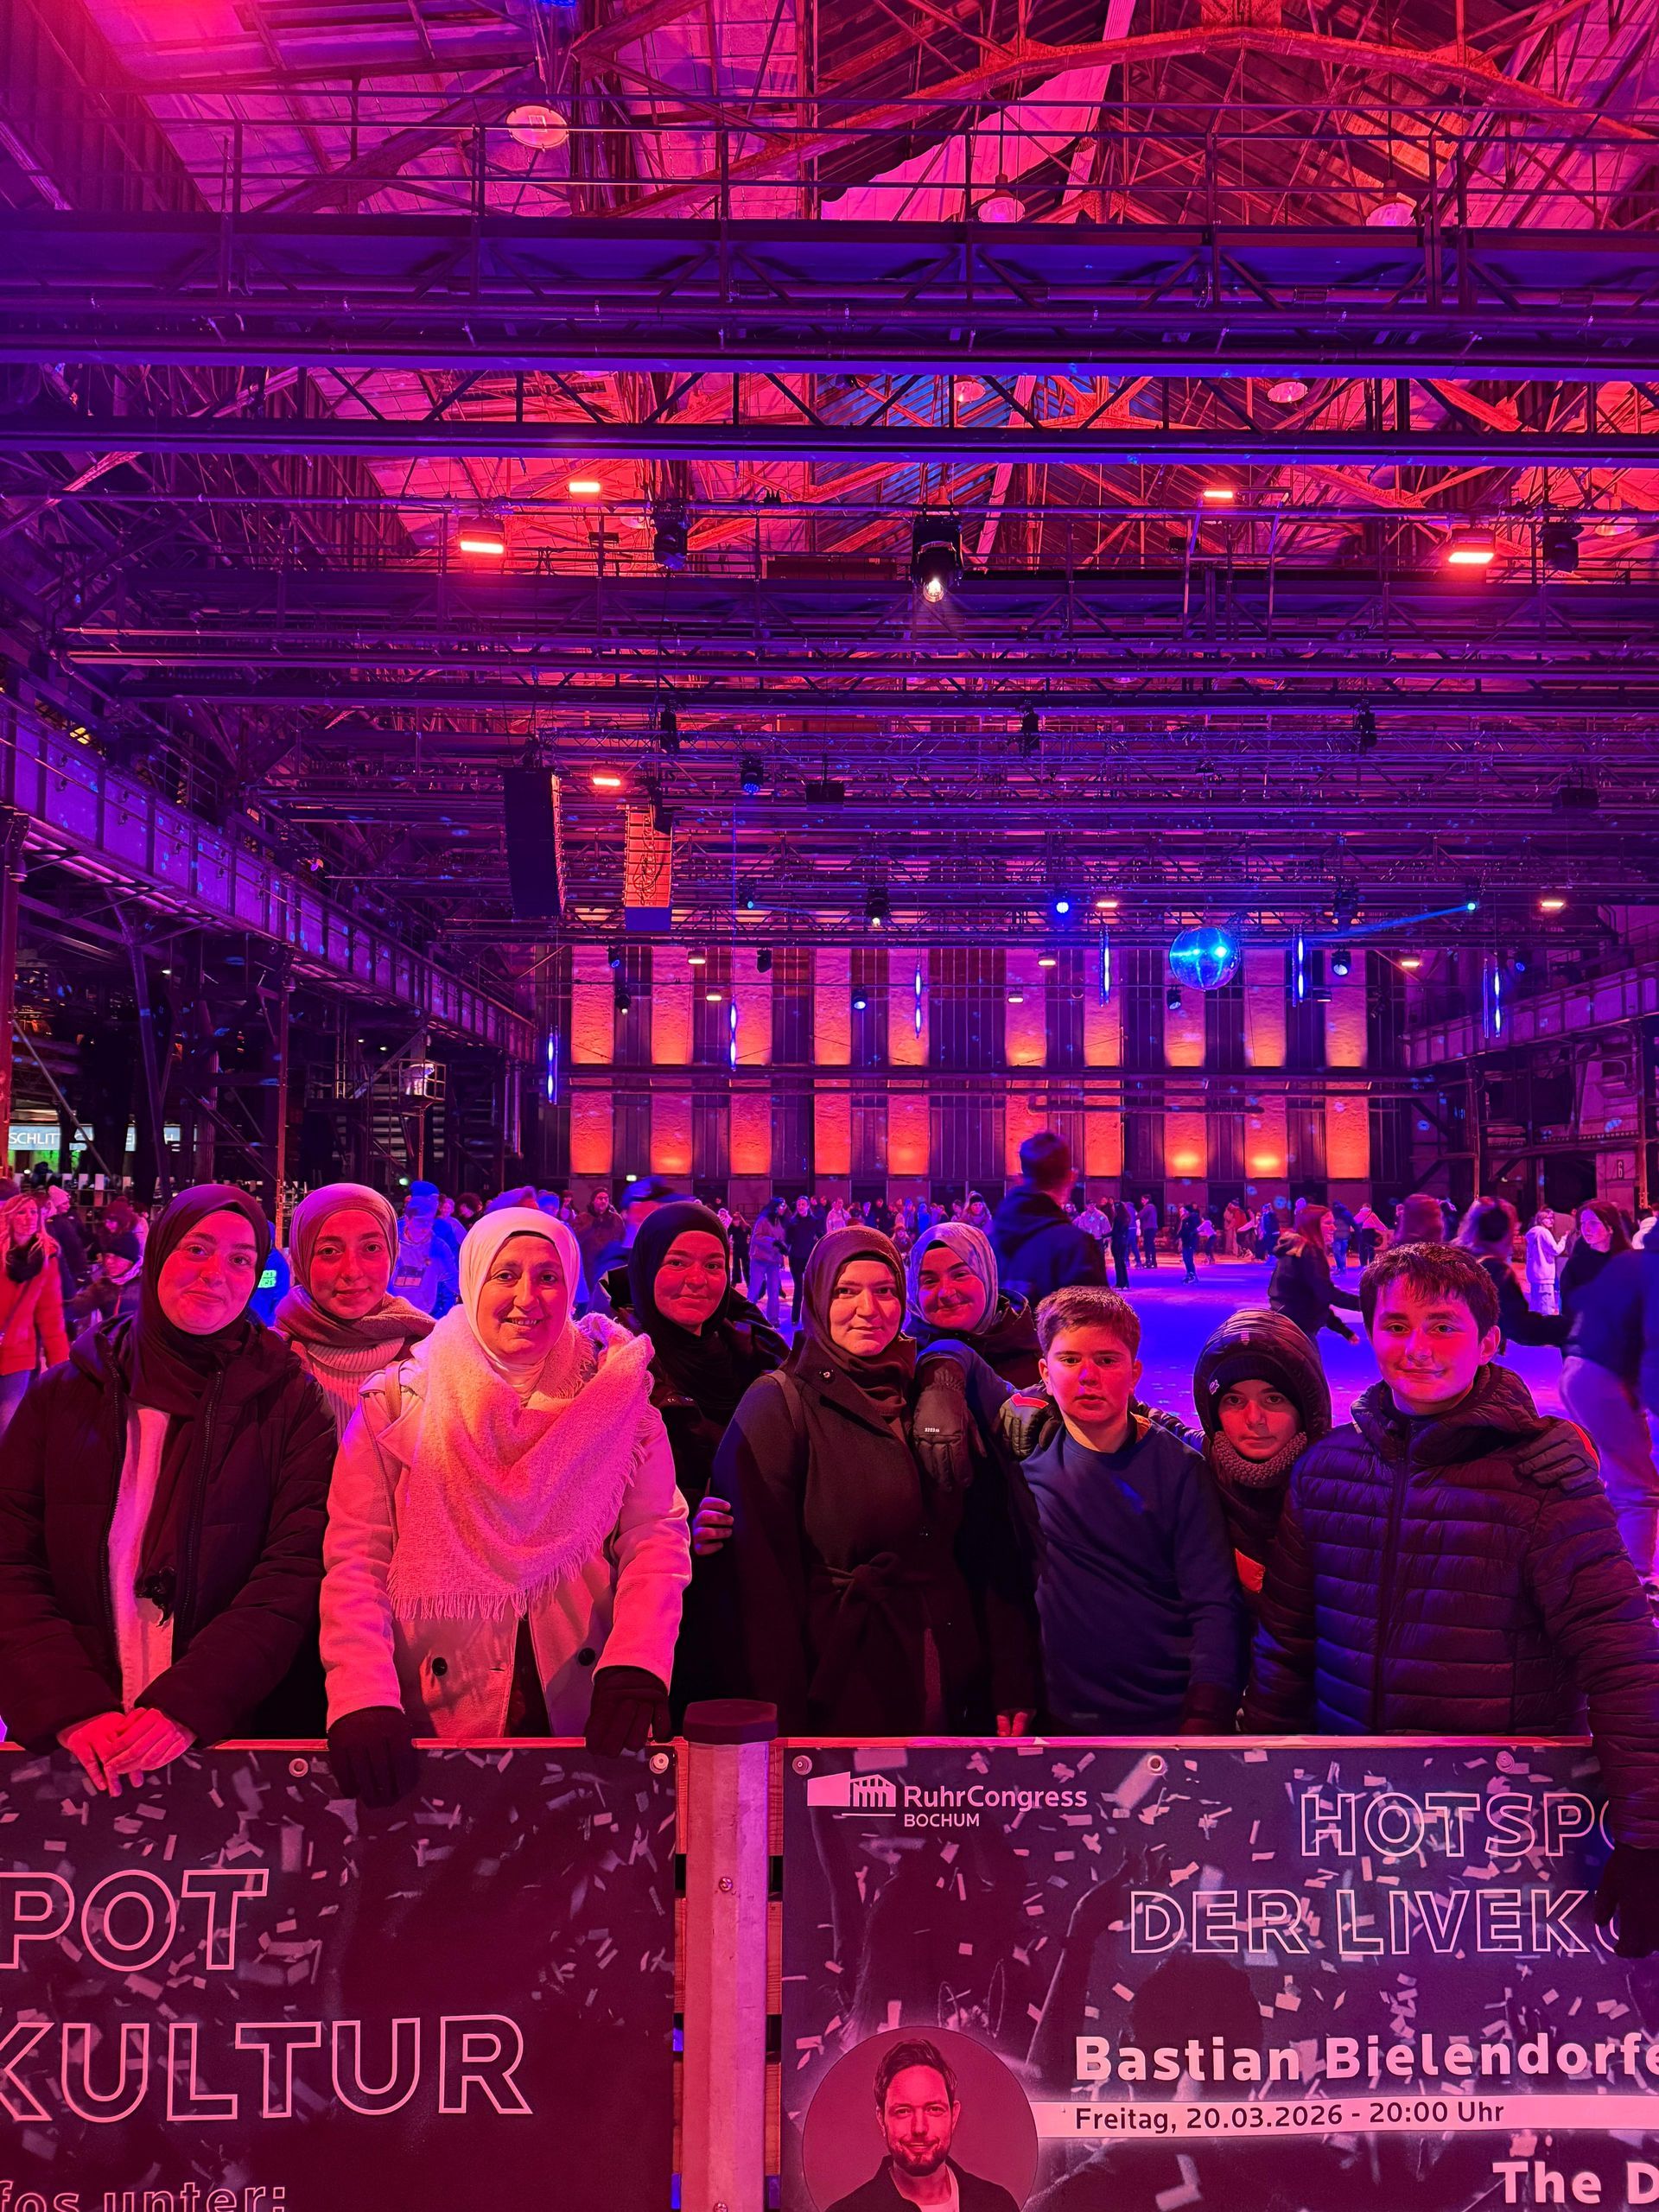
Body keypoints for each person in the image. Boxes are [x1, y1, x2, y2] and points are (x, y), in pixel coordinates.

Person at [1244, 1241, 1659, 1955]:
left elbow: (1620, 1655)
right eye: (1396, 1325)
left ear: (1489, 1342)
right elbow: (1286, 1643)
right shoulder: (1326, 1470)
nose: (1417, 1348)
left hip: (1497, 1821)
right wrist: (1257, 1779)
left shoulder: (1542, 1480)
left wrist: (1646, 1831)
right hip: (1350, 1809)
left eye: (1443, 1326)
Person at [320, 1207, 690, 1806]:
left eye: (548, 1277)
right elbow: (356, 1560)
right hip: (437, 1706)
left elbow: (655, 1540)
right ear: (474, 1281)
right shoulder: (398, 1400)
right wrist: (361, 1693)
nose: (527, 1298)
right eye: (506, 1275)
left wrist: (638, 1659)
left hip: (582, 1699)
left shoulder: (617, 1395)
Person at [0, 1185, 334, 1785]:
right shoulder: (64, 1396)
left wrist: (192, 1703)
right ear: (159, 1255)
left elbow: (292, 1572)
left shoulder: (288, 1403)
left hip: (226, 1740)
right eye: (196, 1249)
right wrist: (70, 1706)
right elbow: (10, 1560)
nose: (215, 1274)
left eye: (240, 1259)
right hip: (77, 1745)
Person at [713, 1226, 1038, 1734]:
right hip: (841, 1680)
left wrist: (1009, 1674)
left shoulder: (923, 1390)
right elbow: (760, 1584)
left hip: (949, 1670)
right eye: (846, 1291)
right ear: (818, 1297)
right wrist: (780, 1718)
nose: (869, 1309)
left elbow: (983, 1543)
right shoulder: (778, 1402)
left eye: (885, 1290)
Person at [995, 1287, 1243, 1735]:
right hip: (1062, 1716)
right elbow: (1008, 1584)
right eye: (1070, 1360)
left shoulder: (1180, 1470)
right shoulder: (1026, 1460)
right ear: (1044, 1373)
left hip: (1168, 1715)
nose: (1088, 1376)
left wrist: (1207, 1710)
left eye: (1107, 1360)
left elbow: (1213, 1602)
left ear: (1134, 1374)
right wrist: (1014, 1683)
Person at [603, 1200, 785, 1716]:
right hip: (660, 1601)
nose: (697, 1280)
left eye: (713, 1264)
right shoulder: (617, 1364)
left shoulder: (754, 1353)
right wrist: (680, 1520)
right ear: (646, 1267)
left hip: (749, 1589)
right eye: (677, 1262)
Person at [1190, 1307, 1331, 1615]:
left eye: (1273, 1399)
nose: (1254, 1419)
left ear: (1305, 1408)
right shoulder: (1197, 1464)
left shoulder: (1341, 1482)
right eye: (1234, 1400)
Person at [273, 1182, 435, 1436]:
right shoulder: (270, 1360)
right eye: (329, 1251)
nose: (352, 1271)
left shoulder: (431, 1354)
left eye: (371, 1248)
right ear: (302, 1258)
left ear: (393, 1253)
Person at [1563, 1236, 1659, 1588]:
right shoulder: (1652, 1268)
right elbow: (1655, 1346)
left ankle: (1599, 1564)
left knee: (1620, 1479)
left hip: (1581, 1368)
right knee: (1639, 1487)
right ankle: (1635, 1583)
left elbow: (1581, 1300)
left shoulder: (1632, 1260)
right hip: (1603, 1378)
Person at [827, 2038, 1020, 2212]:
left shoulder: (1000, 2205)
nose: (919, 2128)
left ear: (953, 2116)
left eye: (934, 2109)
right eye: (903, 2111)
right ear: (881, 2119)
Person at [906, 1220, 1042, 1388]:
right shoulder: (902, 1364)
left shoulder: (1039, 1359)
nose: (946, 1292)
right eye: (930, 1281)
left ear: (987, 1276)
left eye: (960, 1275)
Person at [991, 1133, 1106, 1305]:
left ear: (1020, 1179)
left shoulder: (989, 1239)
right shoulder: (1075, 1247)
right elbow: (1094, 1318)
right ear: (1070, 1178)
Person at [0, 1192, 70, 1438]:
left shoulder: (45, 1258)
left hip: (19, 1354)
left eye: (33, 1212)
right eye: (21, 1212)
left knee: (8, 1427)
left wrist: (60, 1365)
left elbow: (51, 1315)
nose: (29, 1218)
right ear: (9, 1217)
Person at [1455, 1198, 1566, 1347]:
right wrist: (1573, 1326)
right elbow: (1522, 1327)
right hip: (1468, 1353)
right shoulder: (1494, 1272)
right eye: (1513, 1232)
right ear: (1503, 1233)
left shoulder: (1453, 1256)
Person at [1268, 1201, 1362, 1343]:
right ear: (1313, 1226)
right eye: (1328, 1223)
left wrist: (1342, 1330)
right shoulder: (1309, 1253)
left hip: (1288, 1325)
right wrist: (1363, 1304)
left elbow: (1310, 1297)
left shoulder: (1297, 1251)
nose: (1333, 1228)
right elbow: (1325, 1293)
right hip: (1297, 1330)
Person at [391, 1182, 460, 1319]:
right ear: (408, 1220)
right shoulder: (391, 1241)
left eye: (429, 1222)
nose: (425, 1227)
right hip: (391, 1311)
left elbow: (452, 1279)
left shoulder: (439, 1247)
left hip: (425, 1313)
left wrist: (447, 1311)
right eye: (420, 1221)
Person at [784, 1193, 824, 1326]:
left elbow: (821, 1237)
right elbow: (787, 1240)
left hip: (809, 1259)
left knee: (810, 1287)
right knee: (798, 1288)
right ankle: (795, 1317)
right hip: (795, 1259)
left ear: (808, 1206)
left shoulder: (814, 1221)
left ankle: (812, 1317)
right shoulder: (792, 1222)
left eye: (803, 1204)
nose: (800, 1207)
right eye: (799, 1204)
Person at [747, 1201, 787, 1330]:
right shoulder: (763, 1220)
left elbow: (781, 1241)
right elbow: (756, 1237)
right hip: (759, 1259)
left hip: (774, 1261)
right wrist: (773, 1242)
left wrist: (782, 1254)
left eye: (785, 1206)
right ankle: (748, 1316)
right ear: (775, 1207)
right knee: (755, 1289)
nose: (784, 1208)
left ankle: (773, 1319)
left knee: (774, 1290)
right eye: (782, 1206)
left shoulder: (779, 1222)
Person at [1526, 1207, 1567, 1315]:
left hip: (1534, 1273)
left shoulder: (1532, 1233)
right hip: (1544, 1274)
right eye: (1548, 1218)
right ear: (1541, 1219)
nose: (1551, 1220)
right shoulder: (1544, 1232)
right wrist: (1564, 1239)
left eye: (1552, 1218)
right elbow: (1555, 1250)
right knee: (1546, 1310)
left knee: (1536, 1307)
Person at [1107, 1201, 1134, 1290]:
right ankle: (1125, 1283)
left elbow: (1115, 1232)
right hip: (1123, 1242)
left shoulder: (1117, 1218)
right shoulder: (1126, 1217)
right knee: (1121, 1263)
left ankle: (1120, 1284)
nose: (1112, 1209)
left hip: (1117, 1242)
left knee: (1118, 1263)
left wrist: (1103, 1235)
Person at [1178, 1204, 1201, 1283]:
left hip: (1191, 1242)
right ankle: (1189, 1274)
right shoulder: (1183, 1220)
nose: (1181, 1213)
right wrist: (1178, 1239)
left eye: (1182, 1211)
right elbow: (1182, 1232)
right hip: (1186, 1242)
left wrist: (1191, 1234)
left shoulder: (1192, 1218)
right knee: (1185, 1259)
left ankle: (1192, 1275)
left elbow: (1192, 1230)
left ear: (1187, 1211)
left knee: (1189, 1259)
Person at [1138, 1194, 1160, 1269]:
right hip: (1152, 1227)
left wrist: (1132, 1218)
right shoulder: (1152, 1207)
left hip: (1149, 1227)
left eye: (1143, 1200)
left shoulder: (1148, 1207)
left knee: (1147, 1244)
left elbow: (1140, 1215)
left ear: (1147, 1200)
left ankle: (1149, 1261)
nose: (1142, 1201)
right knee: (1151, 1244)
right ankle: (1153, 1261)